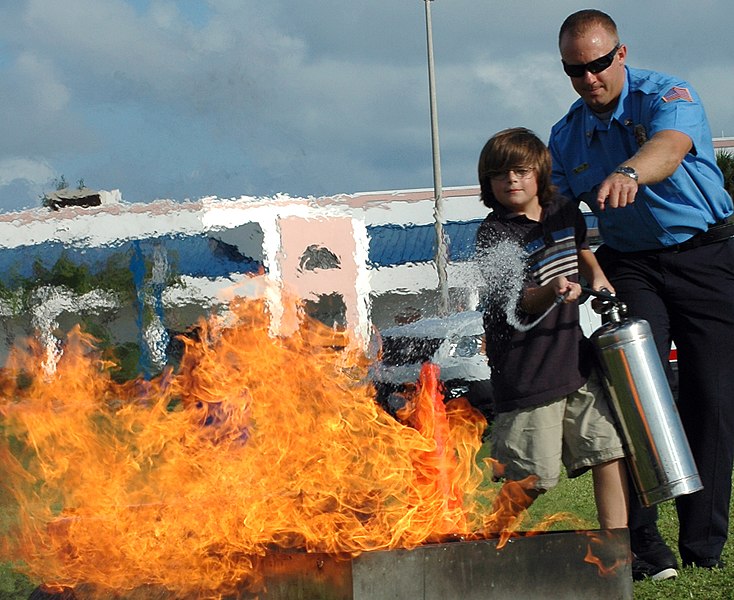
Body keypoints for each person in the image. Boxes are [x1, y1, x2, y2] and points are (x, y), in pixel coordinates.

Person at [549, 9, 734, 581]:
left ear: (620, 54)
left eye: (600, 64)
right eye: (575, 70)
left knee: (712, 400)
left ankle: (703, 548)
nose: (590, 79)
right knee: (637, 395)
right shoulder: (565, 135)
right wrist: (579, 267)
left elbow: (672, 147)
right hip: (629, 266)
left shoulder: (668, 95)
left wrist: (629, 171)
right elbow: (560, 219)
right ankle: (649, 552)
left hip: (707, 254)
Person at [475, 127, 628, 534]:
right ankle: (489, 537)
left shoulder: (562, 210)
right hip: (527, 375)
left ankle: (619, 548)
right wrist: (553, 291)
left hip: (574, 363)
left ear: (540, 174)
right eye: (501, 174)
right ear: (488, 183)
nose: (512, 181)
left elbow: (581, 250)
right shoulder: (493, 235)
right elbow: (518, 303)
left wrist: (598, 278)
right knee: (532, 477)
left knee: (607, 451)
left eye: (522, 171)